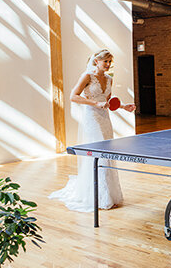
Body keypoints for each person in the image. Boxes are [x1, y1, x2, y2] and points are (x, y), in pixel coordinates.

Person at [49, 49, 136, 212]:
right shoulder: (87, 76)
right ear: (97, 61)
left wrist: (124, 107)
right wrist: (95, 104)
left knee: (107, 153)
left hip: (105, 119)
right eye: (106, 62)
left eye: (110, 62)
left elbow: (109, 101)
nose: (109, 65)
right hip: (92, 117)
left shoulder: (109, 78)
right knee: (98, 154)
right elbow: (73, 96)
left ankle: (109, 194)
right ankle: (98, 196)